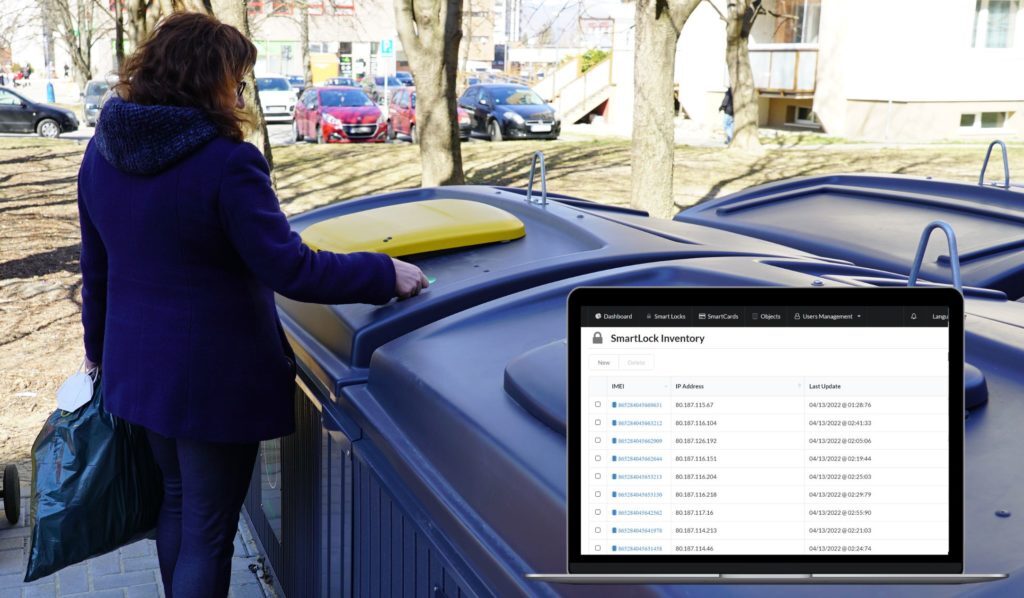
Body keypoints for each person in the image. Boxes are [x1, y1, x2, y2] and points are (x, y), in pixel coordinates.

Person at [77, 12, 428, 598]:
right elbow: (289, 266)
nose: (238, 94)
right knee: (209, 531)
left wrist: (97, 354)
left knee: (179, 506)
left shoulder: (101, 153)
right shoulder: (225, 163)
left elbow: (97, 272)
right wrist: (382, 272)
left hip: (139, 373)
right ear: (206, 80)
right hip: (214, 380)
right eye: (236, 80)